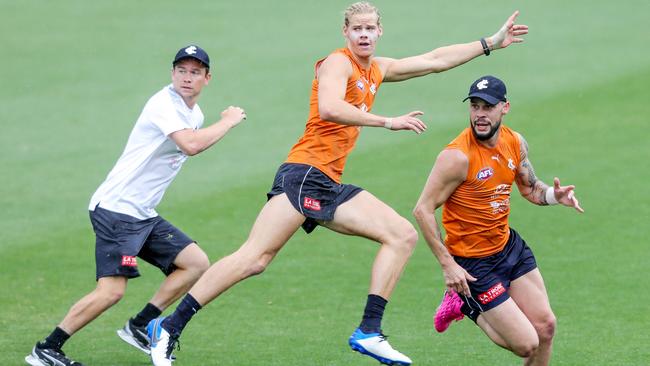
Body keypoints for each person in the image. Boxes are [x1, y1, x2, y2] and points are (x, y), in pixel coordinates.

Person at [148, 3, 529, 366]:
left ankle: (368, 330)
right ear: (345, 32)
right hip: (306, 174)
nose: (364, 35)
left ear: (379, 32)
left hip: (323, 180)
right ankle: (167, 327)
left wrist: (488, 44)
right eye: (357, 29)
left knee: (396, 235)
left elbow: (432, 60)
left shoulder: (375, 69)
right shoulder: (336, 63)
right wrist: (386, 121)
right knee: (253, 258)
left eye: (370, 29)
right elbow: (330, 107)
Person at [25, 45, 247, 366]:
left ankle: (139, 325)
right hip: (118, 210)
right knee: (111, 292)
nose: (187, 78)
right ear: (172, 73)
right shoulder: (163, 104)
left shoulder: (193, 114)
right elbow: (192, 144)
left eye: (195, 72)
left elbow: (189, 142)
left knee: (195, 263)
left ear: (206, 78)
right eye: (181, 70)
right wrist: (228, 121)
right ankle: (47, 348)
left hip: (142, 213)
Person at [413, 75, 584, 365]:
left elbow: (529, 187)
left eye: (488, 107)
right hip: (473, 263)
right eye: (475, 106)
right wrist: (448, 264)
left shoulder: (515, 142)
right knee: (527, 344)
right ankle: (465, 304)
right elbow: (422, 209)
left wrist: (555, 197)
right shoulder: (456, 157)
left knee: (546, 328)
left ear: (504, 108)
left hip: (508, 248)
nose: (480, 114)